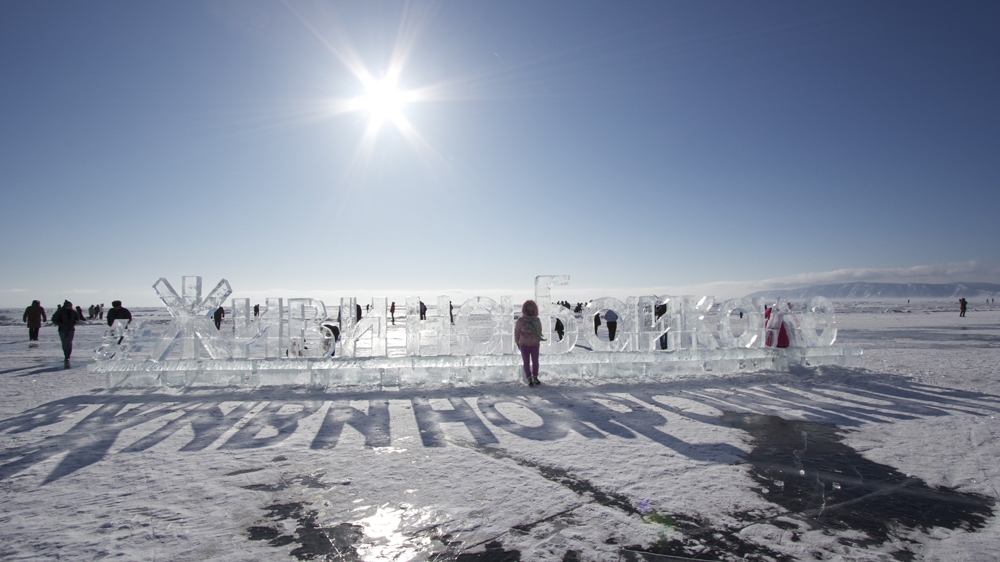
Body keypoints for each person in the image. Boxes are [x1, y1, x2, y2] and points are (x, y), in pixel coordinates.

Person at [514, 300, 545, 386]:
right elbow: (517, 332)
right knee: (526, 362)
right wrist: (517, 342)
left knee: (535, 361)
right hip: (524, 344)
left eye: (532, 310)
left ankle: (535, 377)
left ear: (534, 310)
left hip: (535, 344)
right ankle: (529, 378)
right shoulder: (521, 320)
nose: (530, 312)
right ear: (525, 310)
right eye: (528, 310)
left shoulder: (537, 320)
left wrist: (537, 339)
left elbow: (539, 330)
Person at [51, 301, 80, 368]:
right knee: (64, 343)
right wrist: (61, 324)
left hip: (71, 329)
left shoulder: (73, 312)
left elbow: (77, 318)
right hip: (62, 330)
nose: (70, 307)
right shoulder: (60, 312)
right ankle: (66, 355)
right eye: (69, 306)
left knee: (69, 342)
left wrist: (74, 322)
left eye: (71, 306)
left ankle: (68, 356)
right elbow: (54, 319)